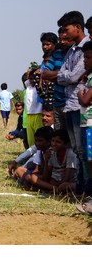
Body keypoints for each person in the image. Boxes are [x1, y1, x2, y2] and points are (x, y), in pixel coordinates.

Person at [57, 11, 90, 194]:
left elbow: (74, 75)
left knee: (83, 150)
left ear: (78, 28)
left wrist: (67, 77)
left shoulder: (87, 49)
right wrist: (67, 77)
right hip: (69, 105)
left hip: (80, 106)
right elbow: (64, 76)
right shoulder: (71, 50)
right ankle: (81, 188)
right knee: (77, 149)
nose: (64, 33)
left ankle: (86, 189)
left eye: (66, 29)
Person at [41, 28, 74, 130]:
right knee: (59, 137)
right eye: (60, 39)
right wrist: (64, 75)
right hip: (57, 103)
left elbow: (74, 76)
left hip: (70, 103)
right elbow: (45, 74)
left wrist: (54, 76)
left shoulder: (77, 53)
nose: (62, 41)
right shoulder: (56, 54)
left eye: (65, 38)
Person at [8, 106, 54, 177]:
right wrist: (16, 161)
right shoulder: (42, 130)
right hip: (40, 162)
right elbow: (33, 149)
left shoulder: (56, 132)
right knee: (22, 167)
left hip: (51, 167)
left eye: (48, 116)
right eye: (43, 115)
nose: (44, 118)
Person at [30, 129, 78, 194]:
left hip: (67, 183)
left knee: (64, 186)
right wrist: (46, 160)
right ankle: (54, 189)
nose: (54, 144)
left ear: (66, 144)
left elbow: (67, 177)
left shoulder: (70, 154)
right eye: (52, 141)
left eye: (58, 142)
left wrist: (57, 184)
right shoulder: (52, 153)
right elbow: (45, 178)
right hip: (54, 183)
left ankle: (52, 190)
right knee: (33, 177)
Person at [15, 126, 54, 190]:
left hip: (50, 178)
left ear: (49, 141)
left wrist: (30, 177)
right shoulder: (40, 150)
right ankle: (35, 184)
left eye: (40, 141)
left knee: (32, 178)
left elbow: (46, 177)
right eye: (36, 141)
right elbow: (37, 169)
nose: (37, 143)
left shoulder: (50, 153)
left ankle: (52, 189)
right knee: (20, 169)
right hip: (42, 176)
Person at [77, 41, 92, 196]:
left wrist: (80, 94)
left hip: (90, 123)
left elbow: (84, 100)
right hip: (85, 121)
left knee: (90, 159)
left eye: (88, 57)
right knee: (87, 158)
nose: (85, 60)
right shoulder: (87, 77)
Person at [24, 68, 43, 147]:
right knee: (31, 137)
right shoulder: (28, 87)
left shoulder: (39, 87)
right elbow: (27, 79)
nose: (32, 81)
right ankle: (32, 155)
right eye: (30, 79)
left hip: (38, 114)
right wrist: (29, 73)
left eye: (34, 79)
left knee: (39, 135)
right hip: (29, 115)